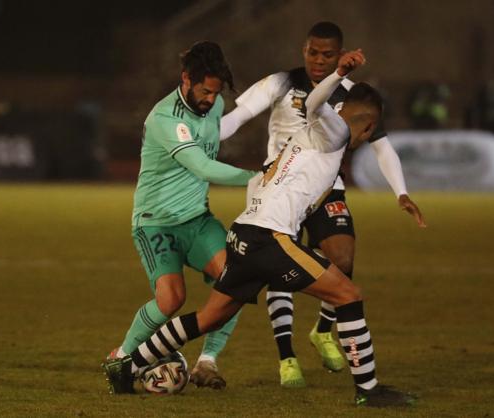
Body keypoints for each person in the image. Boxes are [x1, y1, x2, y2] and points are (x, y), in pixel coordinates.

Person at [103, 48, 425, 408]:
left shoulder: (321, 128)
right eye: (370, 133)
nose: (367, 139)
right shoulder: (334, 129)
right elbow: (317, 99)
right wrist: (336, 75)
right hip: (268, 239)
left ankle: (131, 365)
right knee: (348, 295)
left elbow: (313, 109)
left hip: (244, 232)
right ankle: (368, 390)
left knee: (210, 317)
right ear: (367, 125)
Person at [219, 21, 423, 387]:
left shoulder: (351, 94)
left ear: (339, 54)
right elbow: (238, 117)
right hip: (279, 189)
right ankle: (287, 357)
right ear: (304, 50)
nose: (318, 60)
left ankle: (323, 330)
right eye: (313, 52)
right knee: (278, 268)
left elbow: (382, 145)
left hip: (325, 188)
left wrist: (401, 192)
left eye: (327, 54)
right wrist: (202, 141)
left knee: (344, 259)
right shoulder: (280, 82)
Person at [103, 41, 256, 390]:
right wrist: (257, 178)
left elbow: (220, 127)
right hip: (155, 221)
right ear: (185, 79)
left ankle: (207, 362)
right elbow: (202, 166)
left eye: (216, 92)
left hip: (197, 220)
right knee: (171, 299)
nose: (210, 99)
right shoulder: (164, 118)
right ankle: (122, 358)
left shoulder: (214, 104)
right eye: (204, 90)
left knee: (236, 279)